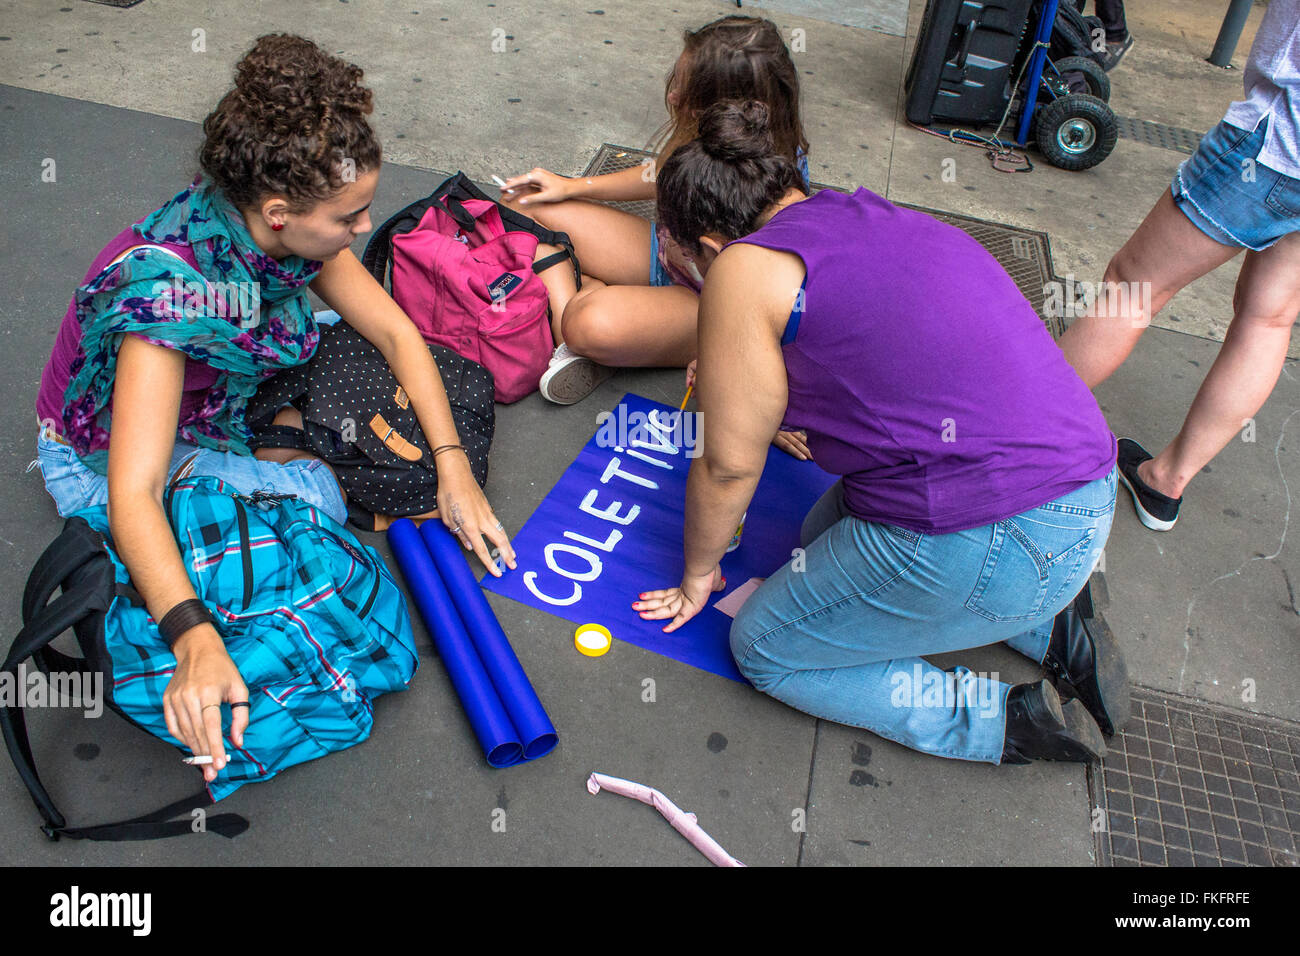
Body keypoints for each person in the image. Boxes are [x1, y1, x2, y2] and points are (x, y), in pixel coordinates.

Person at [33, 34, 516, 783]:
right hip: (101, 459)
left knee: (417, 417)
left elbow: (395, 330)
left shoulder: (279, 236)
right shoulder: (169, 300)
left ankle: (276, 441)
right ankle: (274, 451)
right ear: (280, 212)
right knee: (318, 500)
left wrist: (456, 473)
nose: (366, 230)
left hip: (205, 411)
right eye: (351, 217)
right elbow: (134, 495)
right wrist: (192, 636)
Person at [633, 101, 1127, 765]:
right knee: (815, 541)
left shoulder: (741, 269)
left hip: (1007, 542)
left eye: (679, 254)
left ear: (715, 248)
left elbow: (726, 468)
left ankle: (999, 720)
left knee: (767, 646)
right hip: (1081, 494)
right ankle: (1058, 631)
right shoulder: (852, 213)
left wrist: (698, 573)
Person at [1057, 2, 1300, 532]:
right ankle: (1165, 480)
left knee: (1131, 288)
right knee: (1270, 317)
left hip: (1278, 144)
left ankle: (994, 439)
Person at [498, 15, 810, 405]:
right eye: (677, 80)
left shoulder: (779, 192)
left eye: (686, 91)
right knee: (522, 204)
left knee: (587, 324)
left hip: (710, 306)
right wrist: (571, 186)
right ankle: (594, 332)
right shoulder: (705, 135)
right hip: (665, 257)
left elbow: (773, 308)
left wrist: (736, 367)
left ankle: (582, 329)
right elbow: (658, 173)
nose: (674, 96)